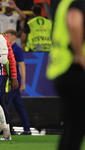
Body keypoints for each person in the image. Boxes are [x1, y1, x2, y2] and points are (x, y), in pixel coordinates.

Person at [46, 0, 85, 150]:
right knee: (77, 126)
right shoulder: (78, 2)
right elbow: (74, 22)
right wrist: (80, 55)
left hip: (61, 67)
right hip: (74, 68)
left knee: (72, 124)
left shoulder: (64, 3)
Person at [5, 29, 31, 136]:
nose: (6, 38)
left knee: (6, 104)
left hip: (15, 82)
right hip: (13, 81)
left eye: (7, 36)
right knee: (19, 106)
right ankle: (27, 129)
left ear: (13, 37)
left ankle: (4, 128)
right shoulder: (10, 48)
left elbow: (22, 67)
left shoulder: (17, 49)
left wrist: (23, 83)